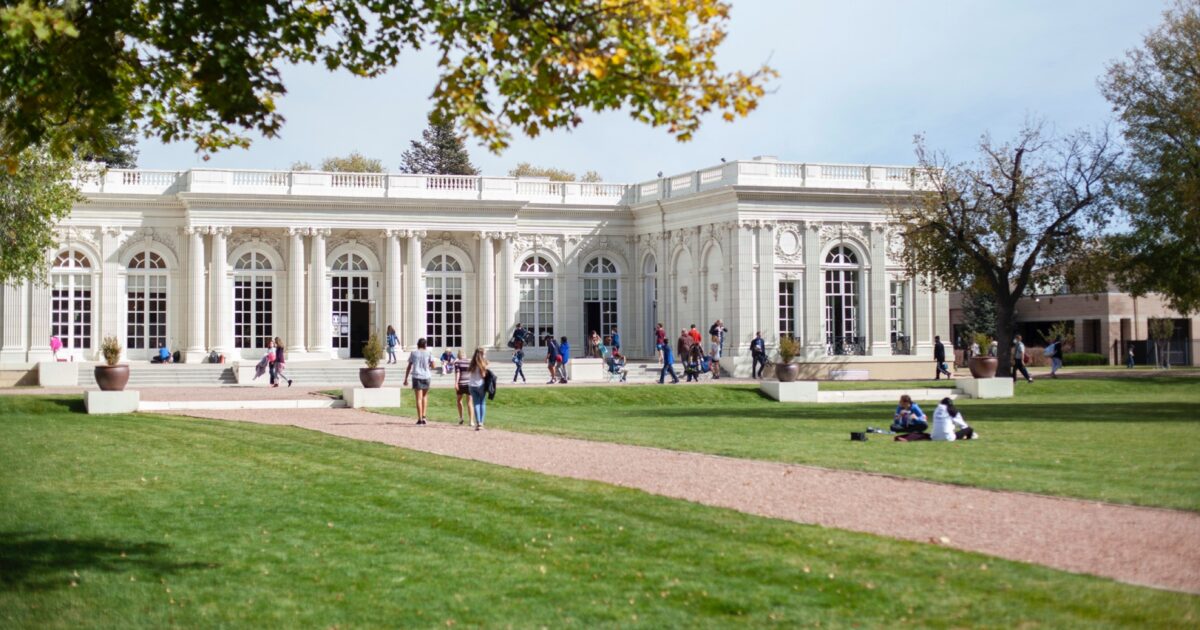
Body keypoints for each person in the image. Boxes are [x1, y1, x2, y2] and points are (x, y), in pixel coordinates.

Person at [403, 338, 434, 425]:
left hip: (417, 376)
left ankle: (420, 419)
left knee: (418, 398)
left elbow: (409, 366)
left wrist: (406, 378)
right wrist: (428, 365)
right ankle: (424, 417)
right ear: (425, 345)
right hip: (426, 376)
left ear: (418, 345)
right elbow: (433, 365)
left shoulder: (413, 353)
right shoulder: (429, 353)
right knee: (425, 396)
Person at [467, 348, 490, 431]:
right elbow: (483, 375)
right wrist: (487, 367)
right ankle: (481, 423)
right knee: (482, 403)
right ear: (482, 354)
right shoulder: (482, 363)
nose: (485, 355)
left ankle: (478, 422)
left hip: (471, 385)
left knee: (476, 403)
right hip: (480, 385)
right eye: (484, 354)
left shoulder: (472, 362)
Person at [453, 350, 473, 426]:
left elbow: (457, 373)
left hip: (461, 384)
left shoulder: (457, 362)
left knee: (459, 400)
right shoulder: (470, 362)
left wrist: (456, 383)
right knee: (469, 402)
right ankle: (471, 421)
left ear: (458, 355)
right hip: (469, 383)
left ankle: (461, 418)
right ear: (465, 355)